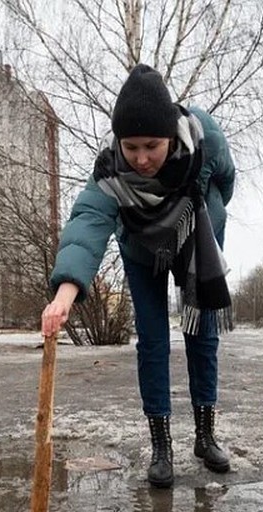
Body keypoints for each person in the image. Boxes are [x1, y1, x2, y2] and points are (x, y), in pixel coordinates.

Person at [42, 64, 236, 489]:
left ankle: (205, 436)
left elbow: (226, 177)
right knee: (152, 339)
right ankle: (161, 446)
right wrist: (65, 293)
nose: (142, 158)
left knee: (202, 332)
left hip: (194, 238)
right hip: (139, 250)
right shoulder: (110, 169)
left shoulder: (203, 135)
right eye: (132, 147)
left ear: (170, 136)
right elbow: (88, 222)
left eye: (152, 146)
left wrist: (209, 219)